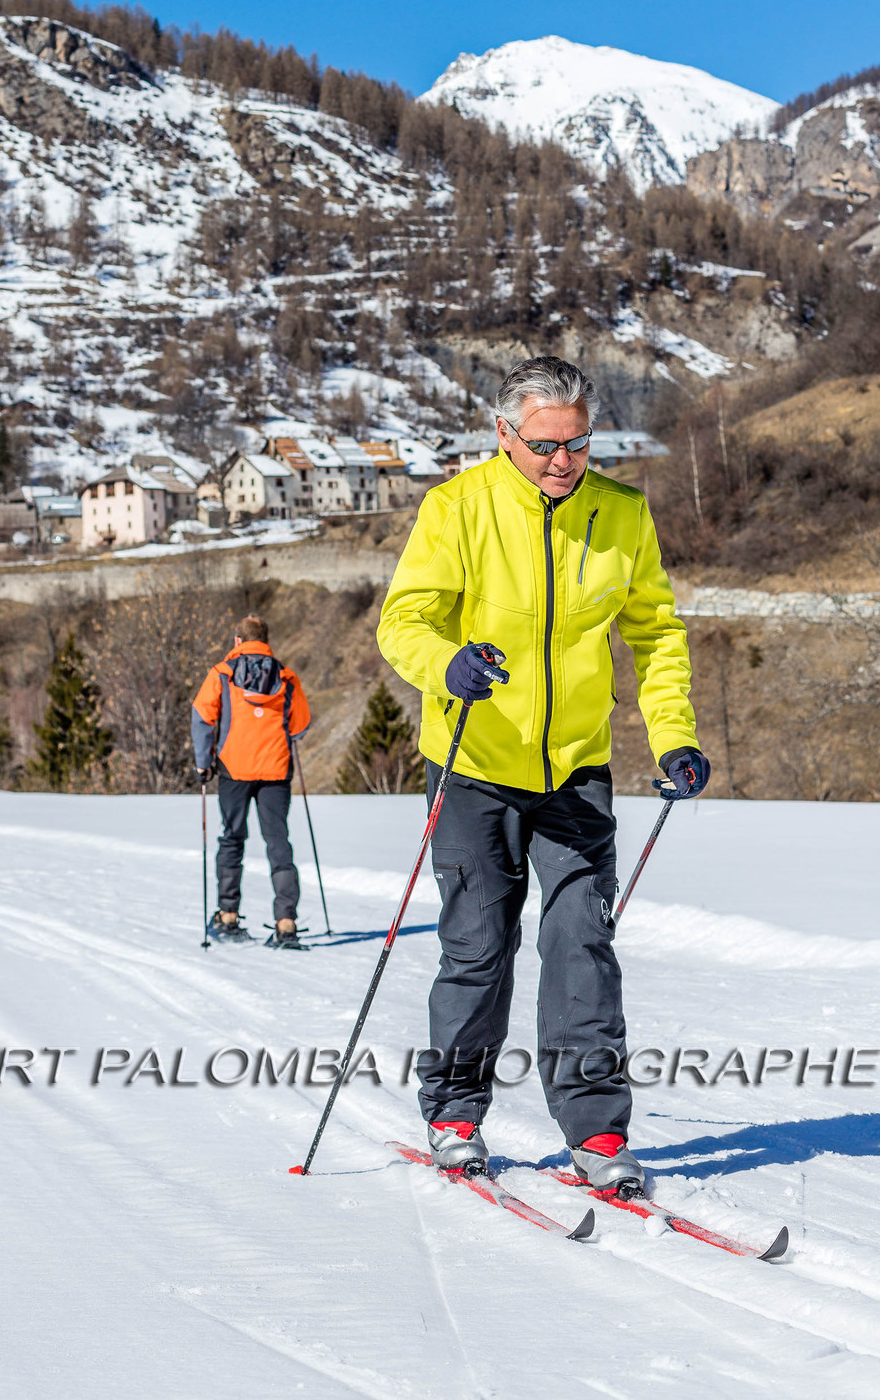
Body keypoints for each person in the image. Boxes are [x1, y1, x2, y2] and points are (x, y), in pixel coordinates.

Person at [377, 358, 709, 1190]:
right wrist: (445, 664)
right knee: (479, 945)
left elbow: (656, 634)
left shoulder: (621, 514)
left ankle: (596, 1133)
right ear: (503, 435)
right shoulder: (457, 507)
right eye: (544, 443)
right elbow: (403, 621)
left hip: (574, 771)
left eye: (578, 442)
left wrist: (673, 737)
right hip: (475, 767)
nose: (563, 460)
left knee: (582, 944)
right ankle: (454, 1113)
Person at [192, 615, 312, 949]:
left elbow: (202, 716)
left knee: (232, 838)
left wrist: (203, 763)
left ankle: (228, 917)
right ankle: (285, 924)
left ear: (237, 641)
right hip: (275, 771)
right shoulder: (286, 676)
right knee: (278, 843)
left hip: (233, 769)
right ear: (266, 640)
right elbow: (300, 726)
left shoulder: (222, 674)